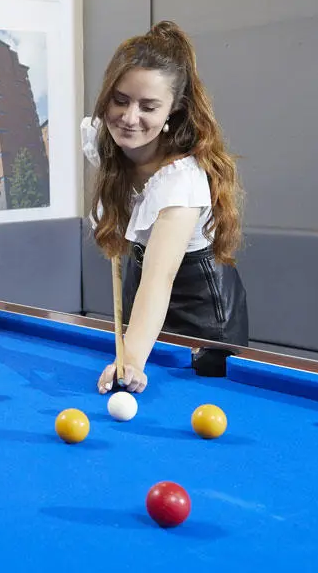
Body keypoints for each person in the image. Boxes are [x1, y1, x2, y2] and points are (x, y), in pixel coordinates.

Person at [82, 21, 248, 394]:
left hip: (201, 311)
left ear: (174, 110)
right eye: (120, 99)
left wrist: (132, 360)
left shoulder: (181, 182)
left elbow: (160, 280)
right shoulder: (105, 139)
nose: (129, 117)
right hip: (141, 291)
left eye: (149, 106)